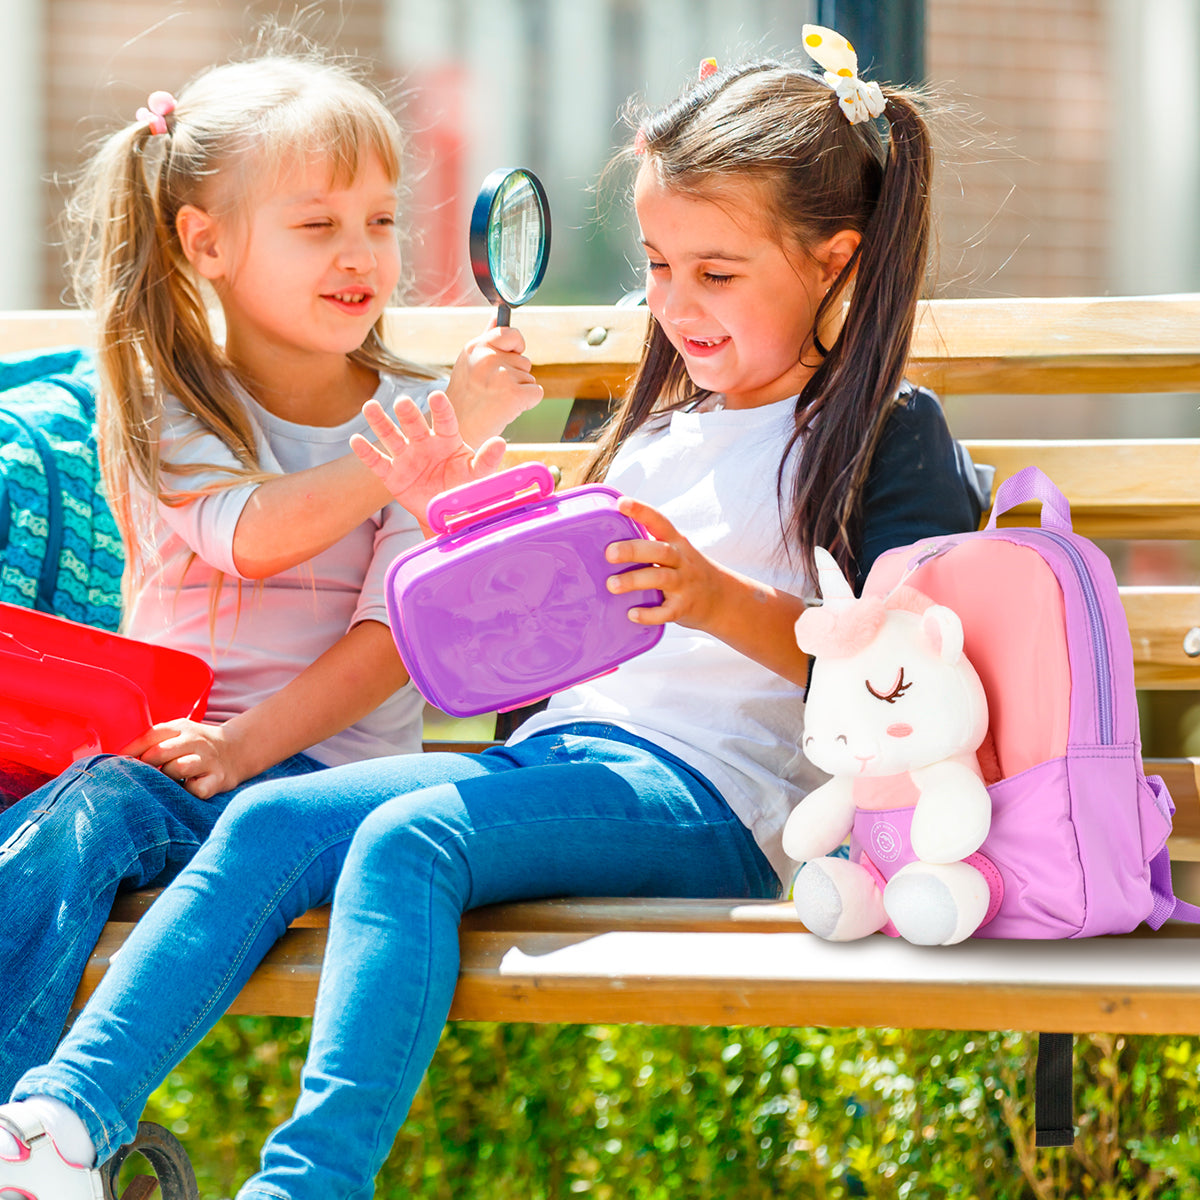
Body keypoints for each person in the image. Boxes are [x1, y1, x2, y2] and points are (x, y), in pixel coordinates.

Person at [0, 36, 985, 1200]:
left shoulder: (880, 435)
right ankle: (59, 1124)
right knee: (270, 829)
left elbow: (915, 690)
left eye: (715, 274)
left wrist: (720, 604)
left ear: (834, 261)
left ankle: (310, 1184)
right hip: (563, 763)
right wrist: (443, 515)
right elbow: (514, 642)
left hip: (716, 798)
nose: (673, 306)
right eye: (659, 266)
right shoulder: (653, 432)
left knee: (407, 840)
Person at [0, 46, 539, 1101]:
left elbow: (396, 641)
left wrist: (246, 747)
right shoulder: (164, 401)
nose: (361, 255)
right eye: (317, 224)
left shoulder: (429, 408)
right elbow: (253, 535)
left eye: (381, 221)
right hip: (172, 766)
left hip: (317, 792)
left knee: (101, 807)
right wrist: (424, 432)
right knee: (75, 807)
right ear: (205, 242)